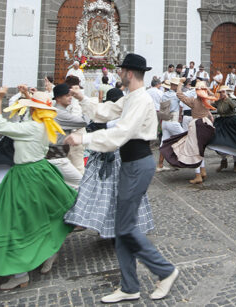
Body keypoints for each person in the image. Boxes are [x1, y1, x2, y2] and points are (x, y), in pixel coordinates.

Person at [65, 53, 178, 303]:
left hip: (138, 163)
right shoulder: (130, 98)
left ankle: (165, 270)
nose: (118, 74)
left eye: (120, 71)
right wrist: (82, 97)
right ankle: (129, 286)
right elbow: (105, 111)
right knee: (121, 227)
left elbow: (120, 134)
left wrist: (83, 139)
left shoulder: (141, 100)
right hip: (131, 164)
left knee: (125, 227)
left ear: (128, 73)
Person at [0, 87, 76, 290]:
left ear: (33, 110)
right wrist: (30, 98)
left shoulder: (32, 127)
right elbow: (35, 112)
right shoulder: (45, 123)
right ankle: (48, 251)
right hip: (41, 171)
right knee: (40, 216)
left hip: (26, 175)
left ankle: (21, 273)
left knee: (14, 222)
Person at [64, 87, 155, 238]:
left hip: (107, 159)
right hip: (115, 159)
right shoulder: (122, 116)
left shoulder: (112, 118)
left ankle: (107, 227)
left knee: (104, 196)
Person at [160, 79, 217, 184]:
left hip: (196, 125)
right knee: (201, 149)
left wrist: (180, 83)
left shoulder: (193, 101)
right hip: (206, 124)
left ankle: (198, 175)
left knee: (194, 150)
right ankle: (203, 171)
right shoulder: (207, 101)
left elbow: (179, 95)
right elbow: (214, 96)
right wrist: (208, 90)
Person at [48, 83, 87, 188]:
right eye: (67, 95)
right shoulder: (60, 113)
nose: (70, 98)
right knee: (81, 184)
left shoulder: (57, 111)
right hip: (57, 158)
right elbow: (83, 122)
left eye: (70, 95)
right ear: (58, 98)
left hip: (56, 156)